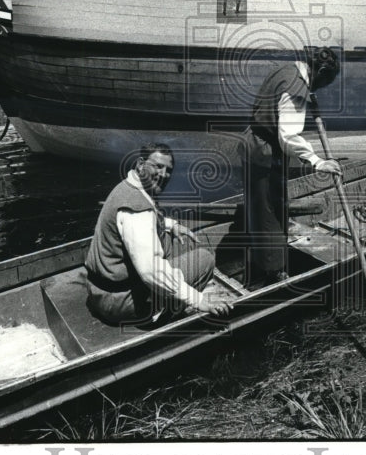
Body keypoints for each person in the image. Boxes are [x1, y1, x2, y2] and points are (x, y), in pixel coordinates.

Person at [84, 143, 233, 325]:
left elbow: (149, 219)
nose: (163, 175)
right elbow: (150, 271)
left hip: (99, 291)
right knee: (205, 259)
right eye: (157, 166)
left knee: (178, 242)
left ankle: (170, 297)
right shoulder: (138, 211)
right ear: (140, 164)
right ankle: (167, 312)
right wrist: (198, 300)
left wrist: (172, 225)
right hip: (120, 303)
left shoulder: (128, 187)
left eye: (168, 170)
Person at [243, 47, 343, 287]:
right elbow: (288, 136)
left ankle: (261, 265)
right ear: (319, 72)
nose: (318, 89)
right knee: (272, 214)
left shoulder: (286, 70)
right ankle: (274, 274)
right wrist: (318, 161)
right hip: (265, 153)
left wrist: (309, 93)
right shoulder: (297, 88)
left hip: (253, 145)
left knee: (260, 211)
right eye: (322, 84)